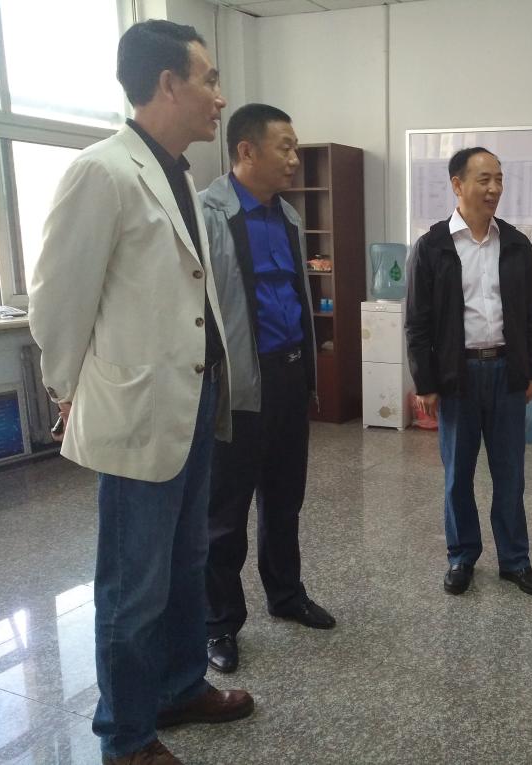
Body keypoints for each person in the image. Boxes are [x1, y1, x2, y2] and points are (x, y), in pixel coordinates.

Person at [29, 20, 254, 765]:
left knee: (187, 563)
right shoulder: (103, 171)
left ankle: (180, 686)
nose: (219, 96)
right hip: (138, 408)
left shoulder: (178, 173)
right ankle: (125, 737)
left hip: (192, 400)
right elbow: (58, 302)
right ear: (168, 83)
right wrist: (69, 391)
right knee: (134, 585)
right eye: (209, 79)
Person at [199, 103, 334, 675]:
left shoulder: (289, 216)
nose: (294, 158)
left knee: (284, 498)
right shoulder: (208, 213)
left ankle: (286, 594)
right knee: (225, 513)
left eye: (296, 147)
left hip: (288, 373)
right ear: (246, 150)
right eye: (286, 147)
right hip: (237, 380)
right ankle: (219, 623)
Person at [405, 147, 532, 597]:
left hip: (506, 372)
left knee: (510, 475)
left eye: (499, 179)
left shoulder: (516, 244)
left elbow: (530, 315)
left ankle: (515, 560)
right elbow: (417, 322)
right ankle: (461, 556)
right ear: (457, 184)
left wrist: (528, 370)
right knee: (457, 476)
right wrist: (425, 382)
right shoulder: (432, 246)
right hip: (457, 376)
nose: (494, 188)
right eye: (484, 179)